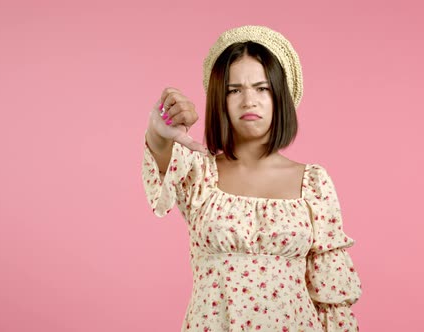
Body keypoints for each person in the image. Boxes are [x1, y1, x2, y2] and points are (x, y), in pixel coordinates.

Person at [142, 25, 362, 331]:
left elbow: (331, 298)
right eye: (234, 90)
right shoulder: (199, 174)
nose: (249, 101)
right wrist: (158, 131)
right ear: (221, 98)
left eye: (262, 88)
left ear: (280, 96)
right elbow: (161, 160)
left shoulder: (313, 183)